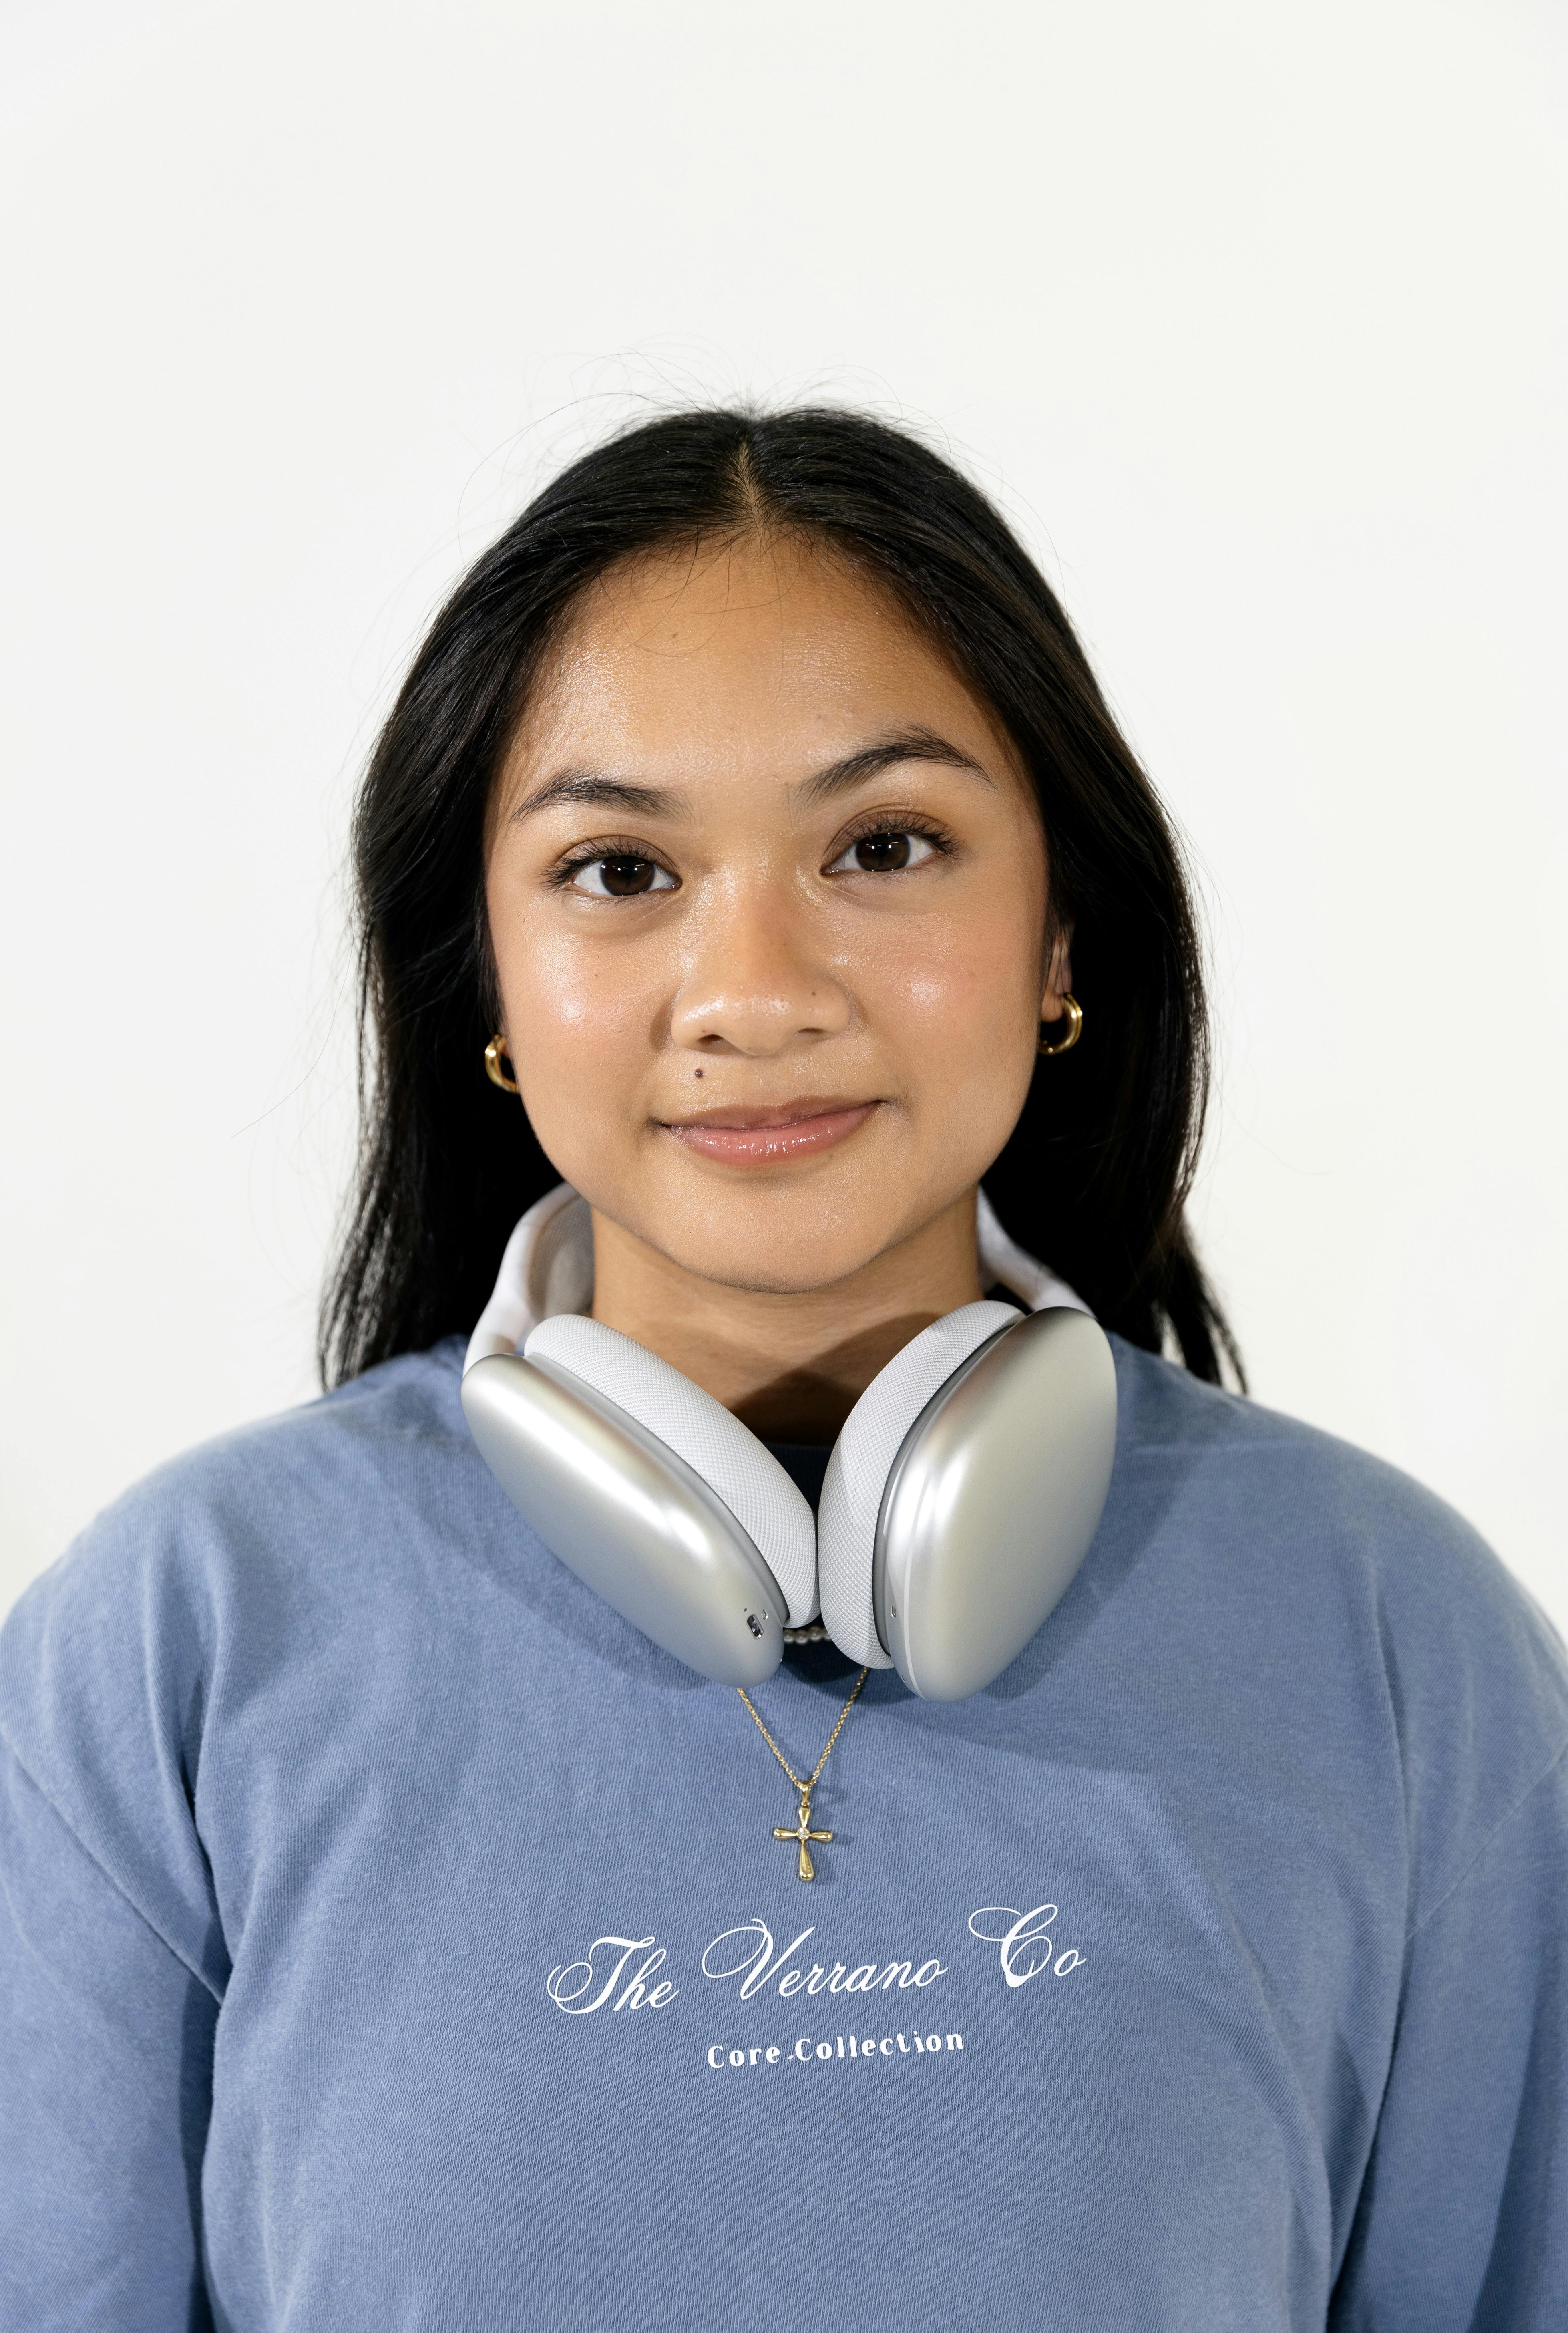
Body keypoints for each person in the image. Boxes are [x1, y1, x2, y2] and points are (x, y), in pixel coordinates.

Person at [2, 407, 1564, 2331]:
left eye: (883, 844)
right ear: (478, 973)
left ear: (1060, 929)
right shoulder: (175, 1640)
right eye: (618, 868)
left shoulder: (1394, 1637)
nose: (751, 989)